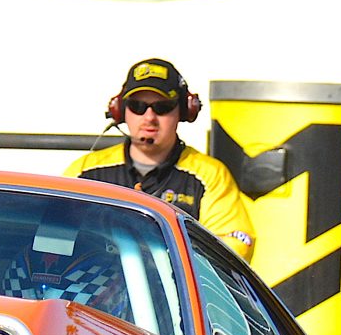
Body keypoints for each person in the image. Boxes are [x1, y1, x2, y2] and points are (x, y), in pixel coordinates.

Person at [64, 58, 257, 260]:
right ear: (120, 111)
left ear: (184, 111)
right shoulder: (85, 171)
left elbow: (235, 247)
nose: (149, 117)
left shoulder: (210, 175)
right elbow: (52, 233)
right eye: (137, 106)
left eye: (162, 107)